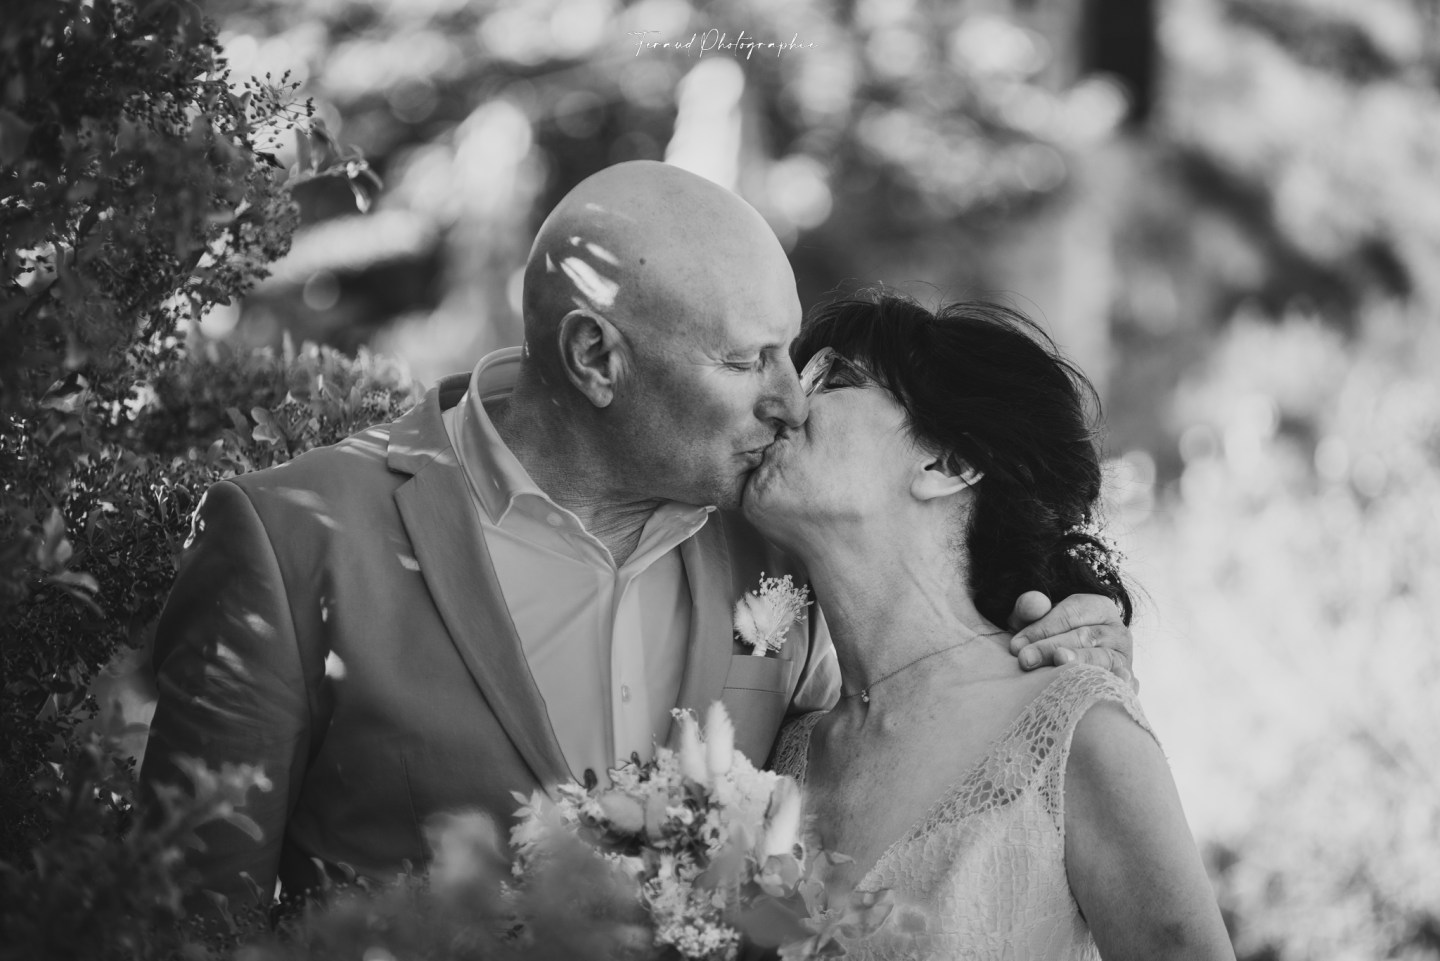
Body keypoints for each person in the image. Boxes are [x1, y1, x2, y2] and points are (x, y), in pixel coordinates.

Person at [140, 161, 1134, 914]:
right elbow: (183, 924)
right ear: (594, 357)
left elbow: (922, 684)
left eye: (789, 354)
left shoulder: (782, 542)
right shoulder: (291, 540)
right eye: (746, 362)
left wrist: (1059, 629)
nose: (791, 401)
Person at [752, 293, 1233, 960]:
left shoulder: (1078, 732)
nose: (787, 402)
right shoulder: (779, 755)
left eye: (833, 379)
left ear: (946, 464)